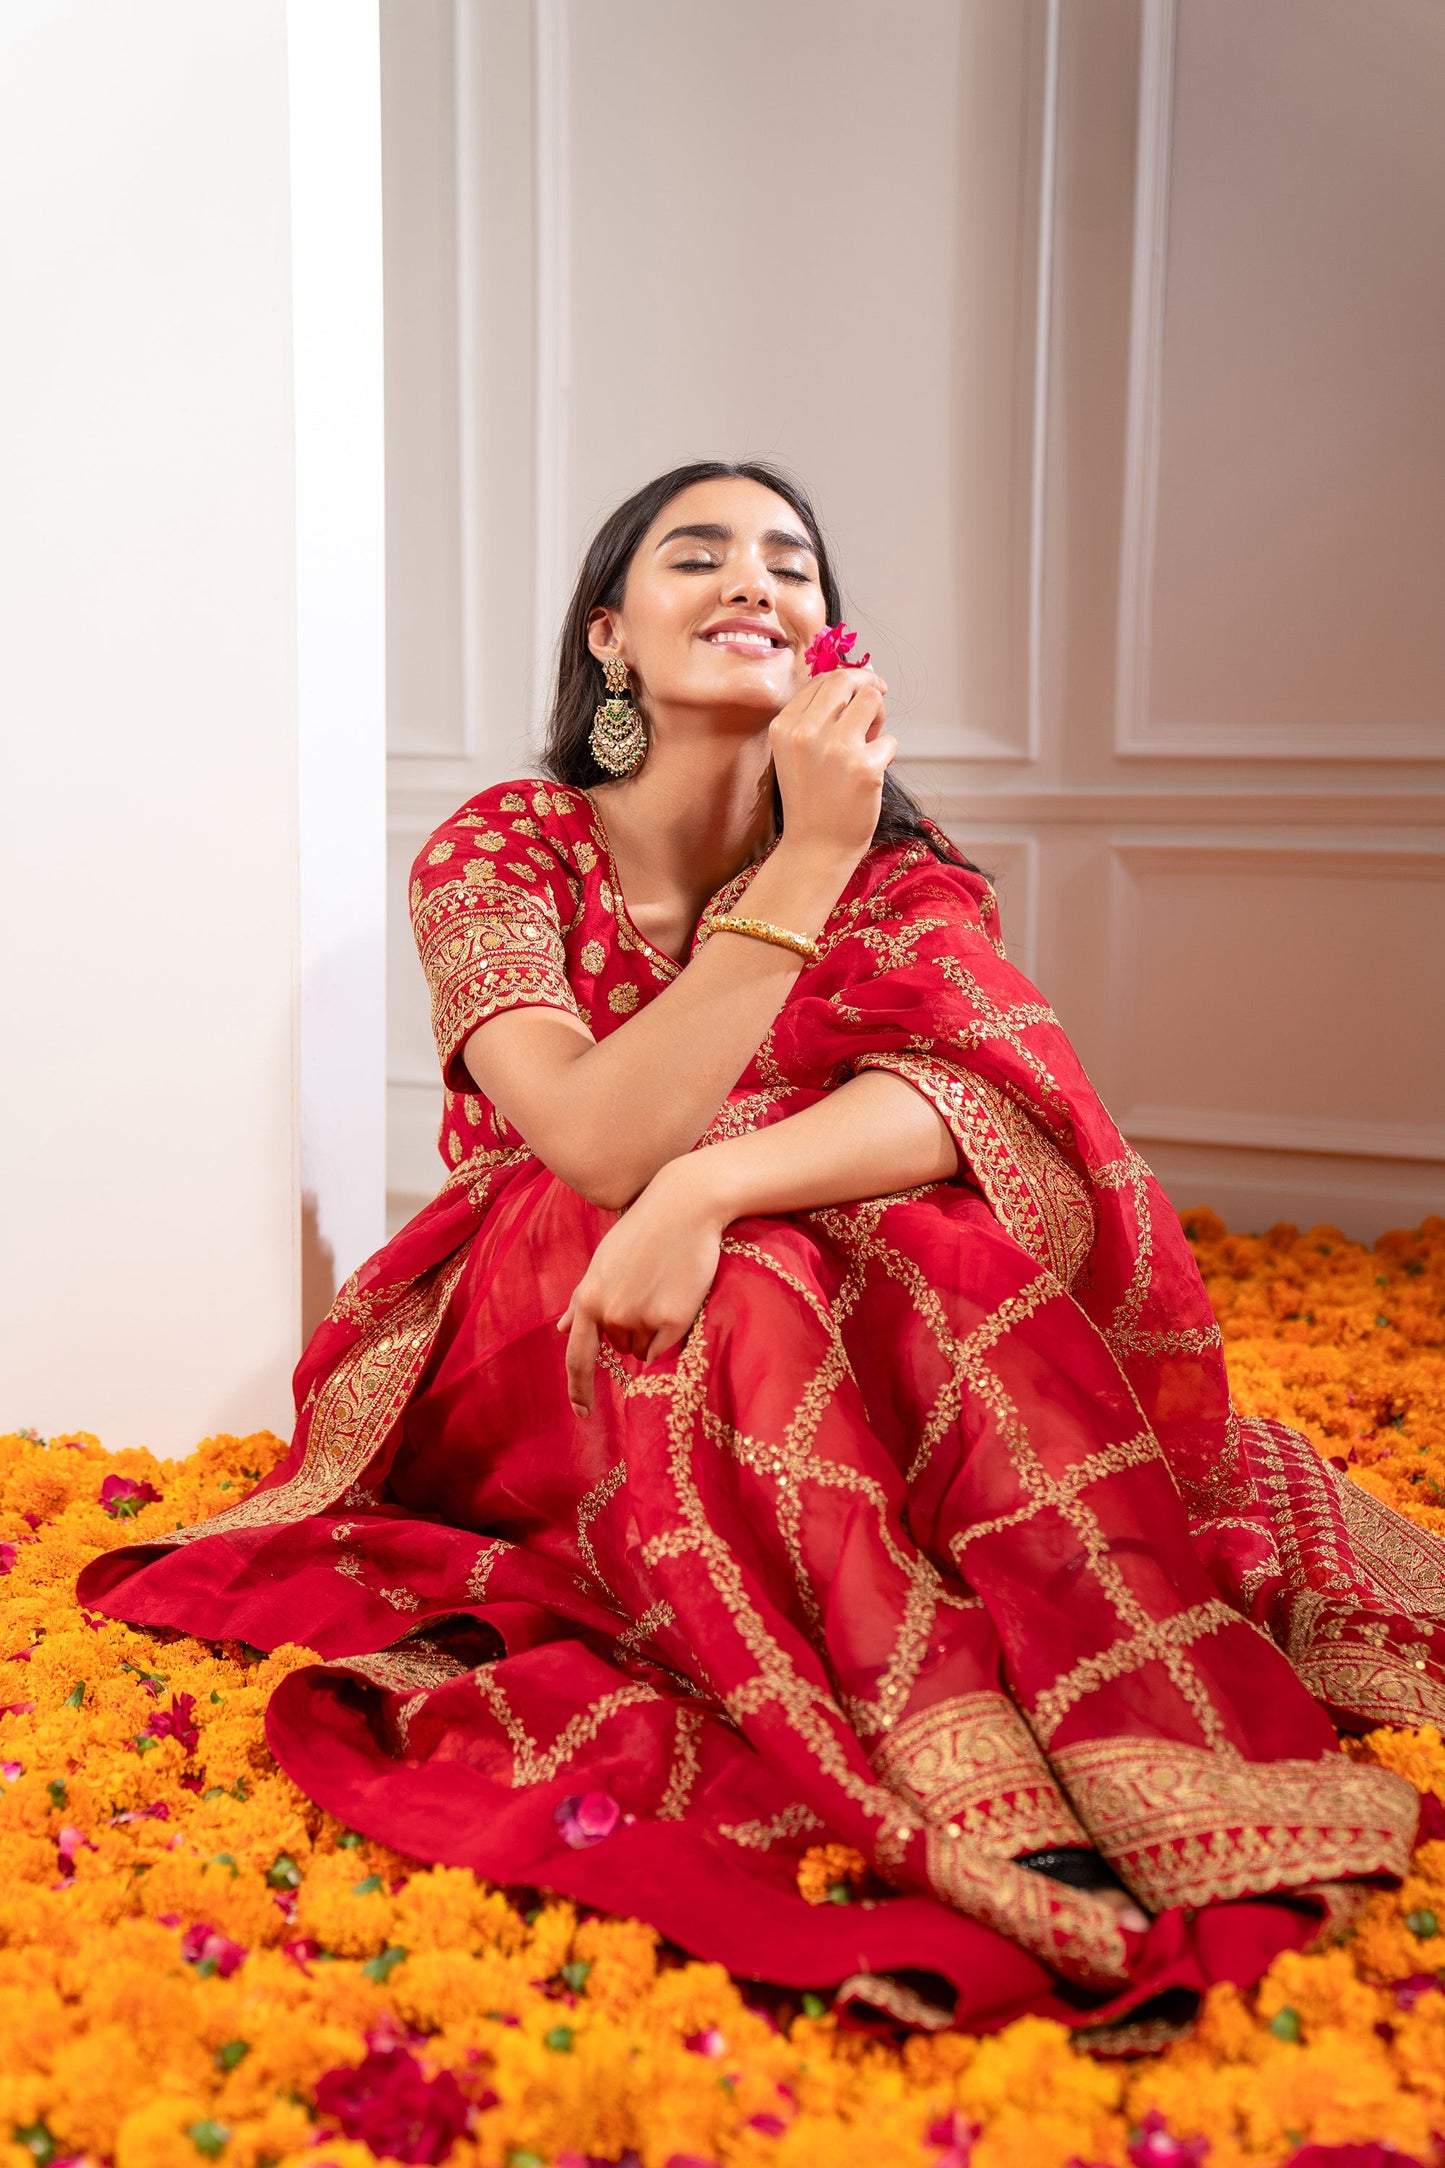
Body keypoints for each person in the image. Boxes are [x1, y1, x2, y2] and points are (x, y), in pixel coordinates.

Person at [82, 460, 1445, 2042]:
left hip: (747, 1271)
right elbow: (591, 1142)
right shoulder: (508, 847)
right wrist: (792, 887)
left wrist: (703, 1192)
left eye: (789, 561)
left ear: (827, 637)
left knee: (921, 1251)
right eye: (698, 553)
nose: (753, 579)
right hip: (535, 1315)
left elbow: (973, 1104)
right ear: (608, 635)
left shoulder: (902, 870)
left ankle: (1116, 1756)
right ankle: (950, 1767)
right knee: (780, 1260)